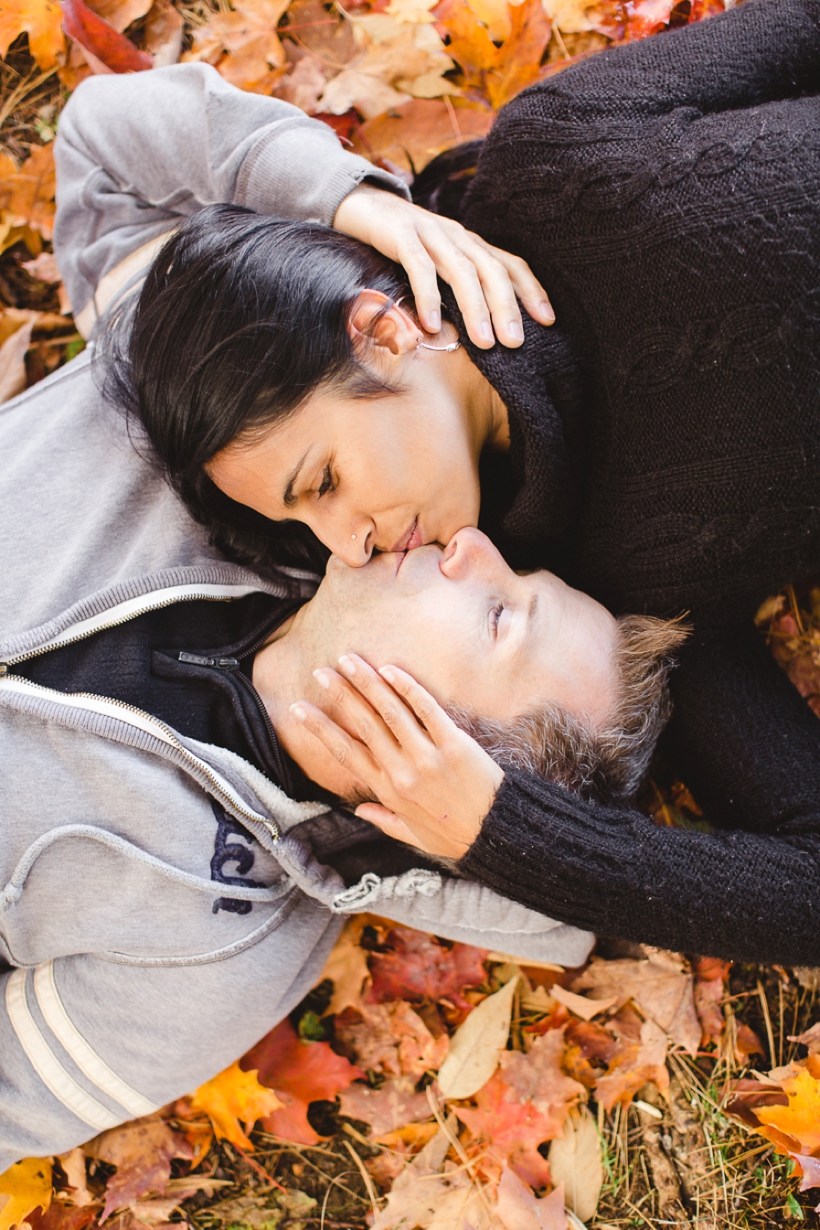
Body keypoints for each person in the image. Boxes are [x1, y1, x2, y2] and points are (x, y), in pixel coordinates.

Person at [110, 0, 820, 966]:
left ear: (383, 332)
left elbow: (112, 136)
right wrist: (500, 831)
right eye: (302, 519)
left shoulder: (558, 153)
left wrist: (351, 201)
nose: (344, 544)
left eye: (321, 481)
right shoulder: (610, 582)